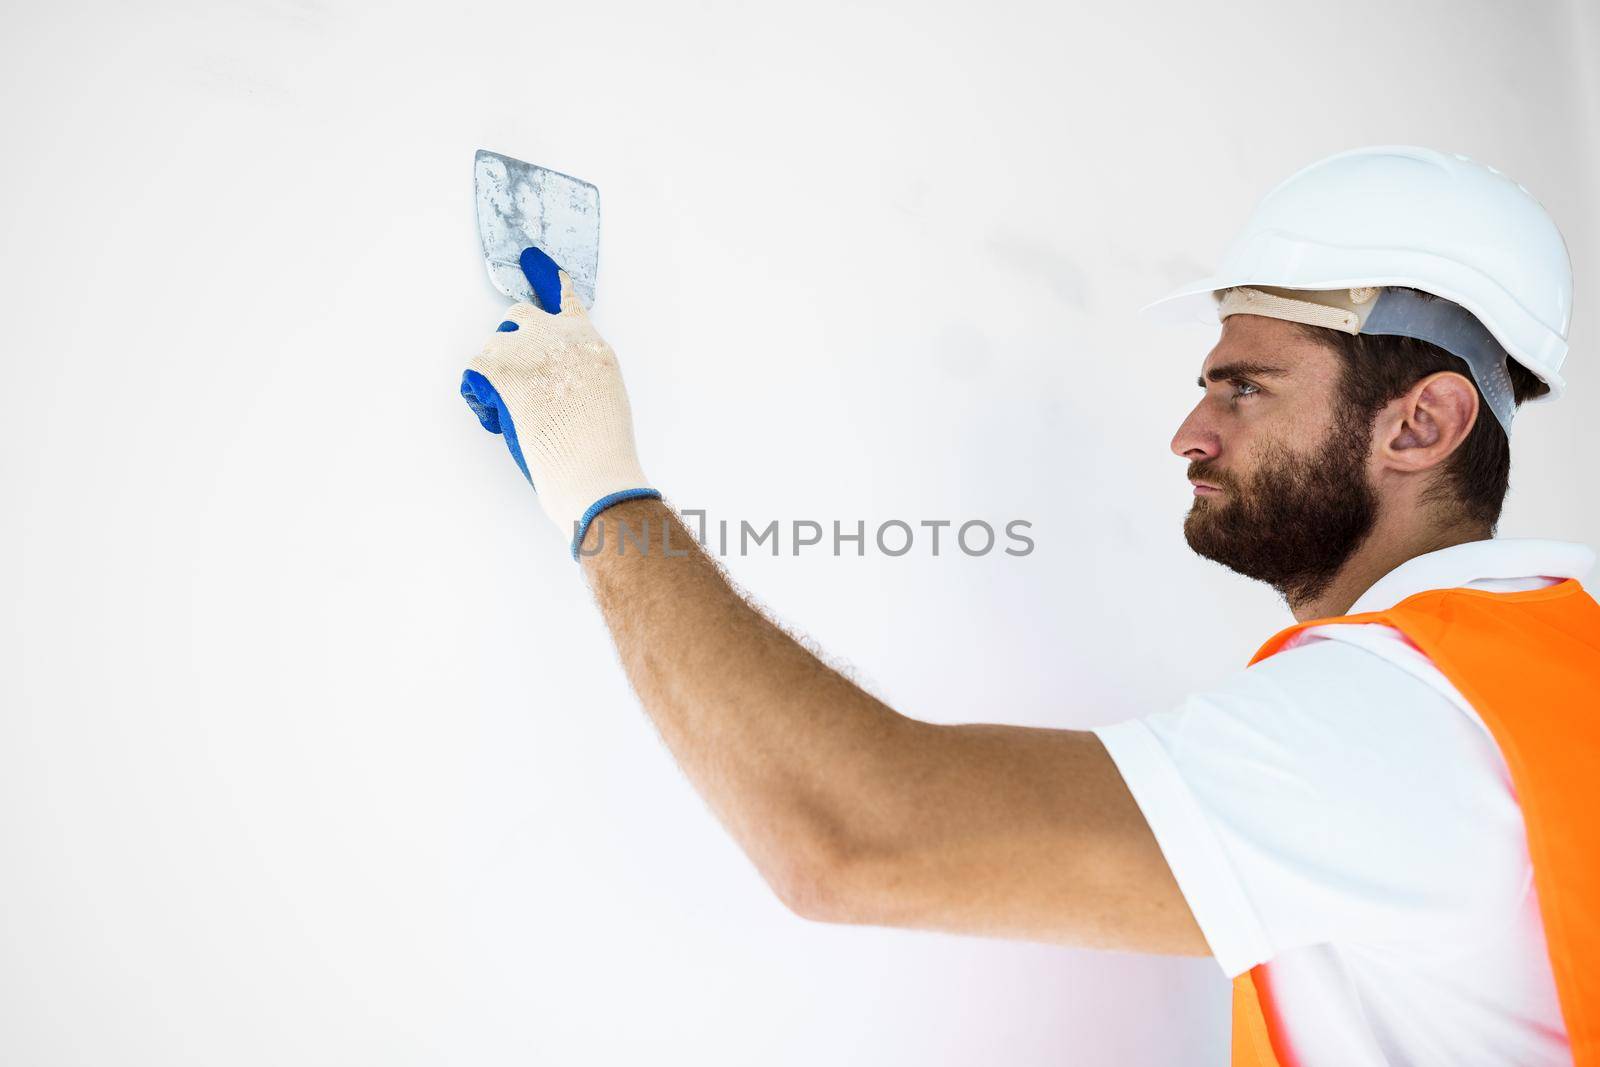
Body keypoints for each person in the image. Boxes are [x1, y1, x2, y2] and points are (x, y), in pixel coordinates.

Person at [459, 145, 1597, 1067]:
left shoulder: (1399, 718)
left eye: (1244, 387)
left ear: (1421, 423)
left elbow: (855, 837)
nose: (1190, 435)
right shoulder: (1549, 662)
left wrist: (602, 491)